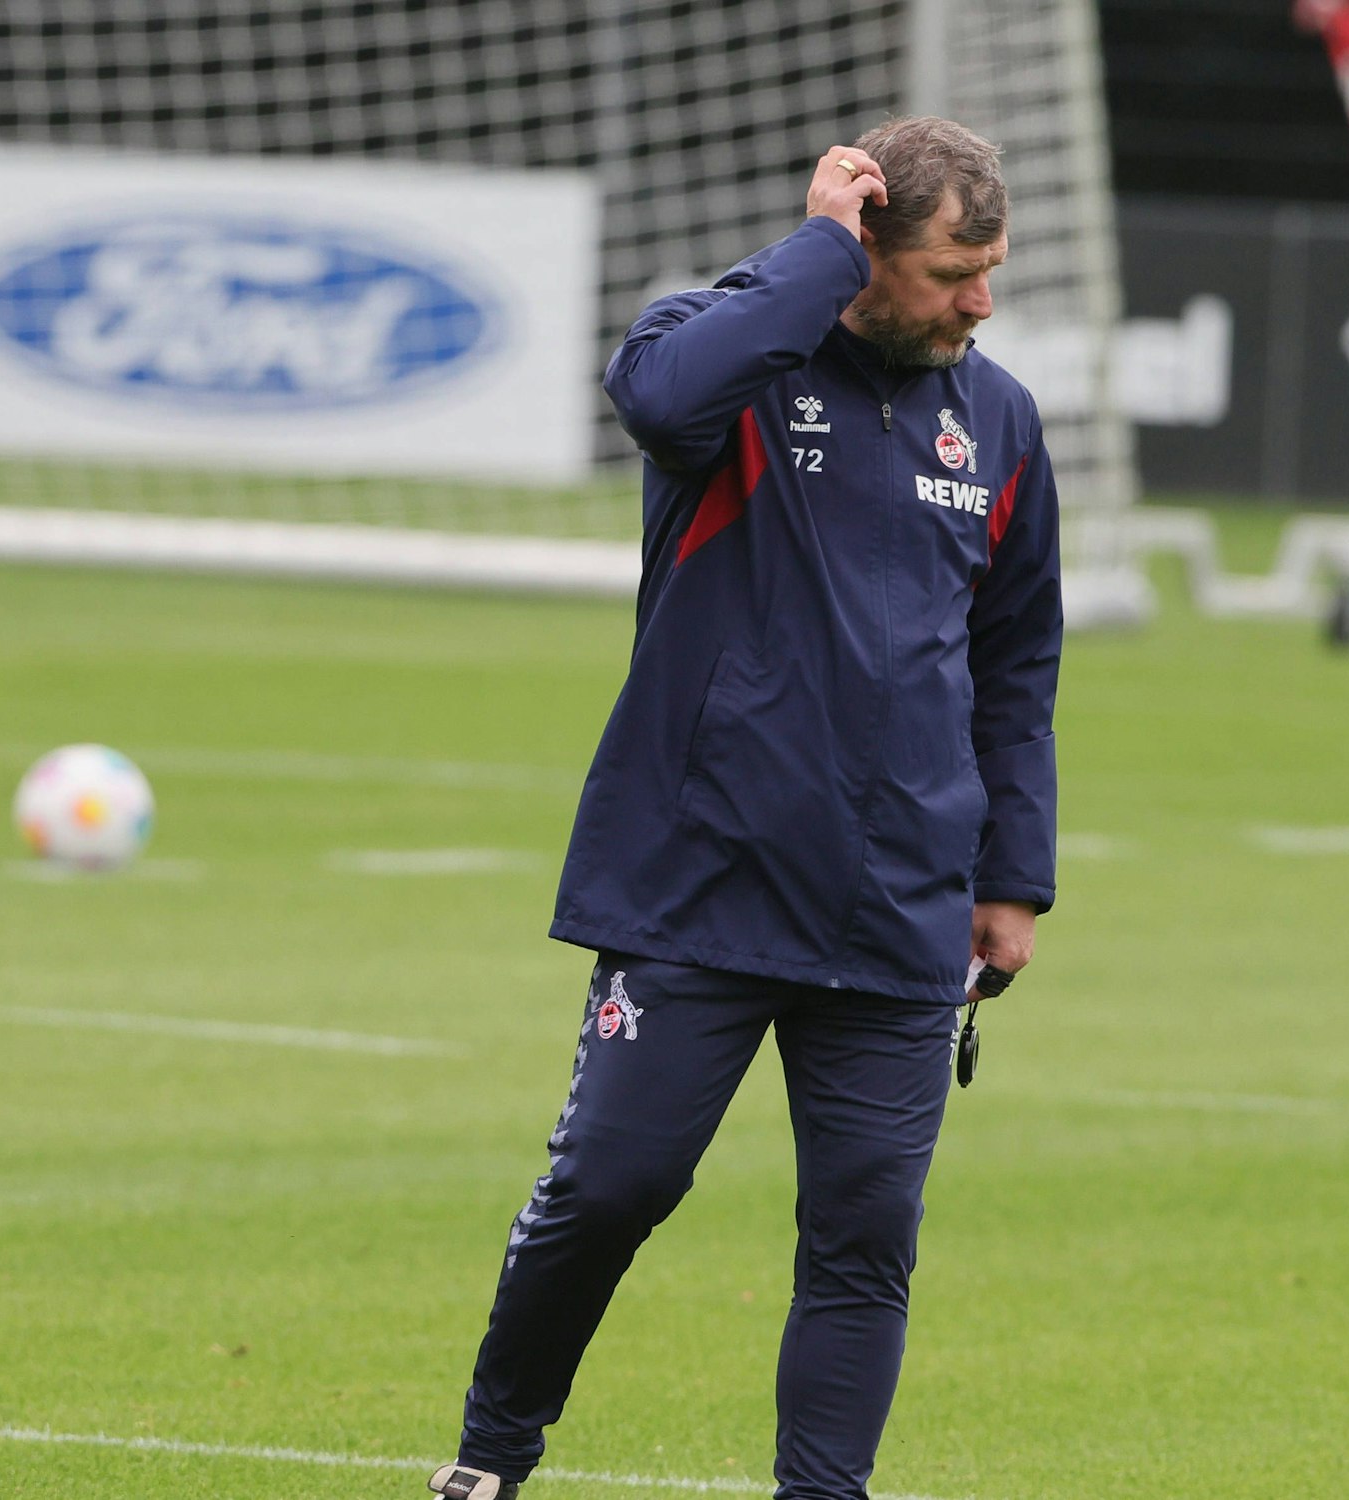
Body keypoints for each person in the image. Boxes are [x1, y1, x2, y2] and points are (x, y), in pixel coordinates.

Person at [430, 115, 1062, 1500]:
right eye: (955, 269)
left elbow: (1017, 662)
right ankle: (490, 1459)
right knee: (611, 1189)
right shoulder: (726, 360)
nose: (981, 302)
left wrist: (1012, 876)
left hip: (902, 903)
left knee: (865, 1237)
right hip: (700, 882)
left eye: (992, 269)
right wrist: (814, 249)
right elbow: (653, 403)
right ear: (863, 252)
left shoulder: (999, 419)